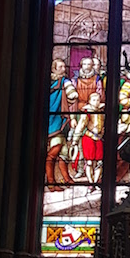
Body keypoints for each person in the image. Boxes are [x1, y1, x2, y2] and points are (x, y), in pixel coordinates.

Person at [46, 58, 77, 191]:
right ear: (54, 69)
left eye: (64, 67)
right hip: (55, 120)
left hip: (59, 119)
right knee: (55, 151)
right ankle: (51, 182)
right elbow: (72, 96)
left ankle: (67, 179)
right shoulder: (63, 82)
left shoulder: (61, 82)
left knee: (64, 152)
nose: (64, 69)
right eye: (60, 67)